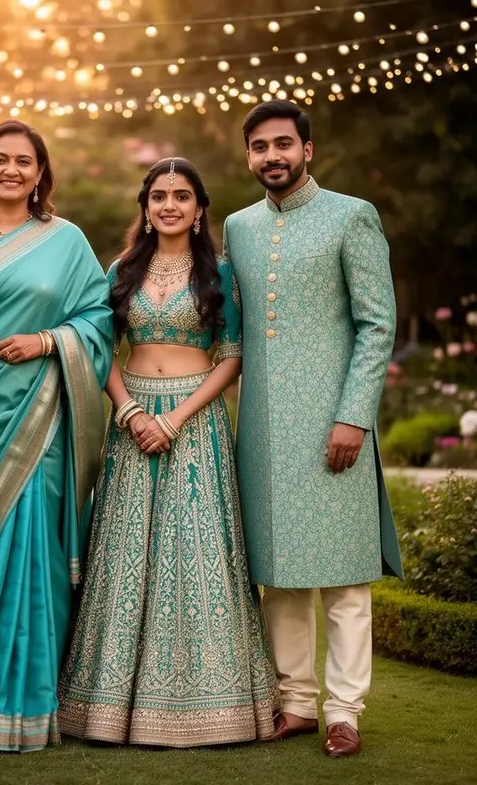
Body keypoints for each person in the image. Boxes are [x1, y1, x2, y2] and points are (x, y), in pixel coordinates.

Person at [58, 157, 279, 748]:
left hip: (194, 421)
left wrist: (177, 417)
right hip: (130, 418)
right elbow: (98, 347)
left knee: (198, 547)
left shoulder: (221, 274)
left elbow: (231, 353)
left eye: (182, 195)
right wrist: (130, 412)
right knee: (126, 549)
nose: (170, 205)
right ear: (146, 206)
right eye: (159, 196)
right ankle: (107, 706)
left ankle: (211, 703)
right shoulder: (121, 270)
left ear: (200, 207)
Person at [0, 120, 113, 752]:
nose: (11, 170)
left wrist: (46, 341)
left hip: (38, 414)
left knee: (29, 548)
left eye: (23, 162)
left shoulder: (67, 241)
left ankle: (24, 706)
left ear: (40, 173)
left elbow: (98, 318)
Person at [225, 100, 402, 758]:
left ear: (308, 150)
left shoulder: (351, 216)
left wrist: (354, 415)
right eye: (260, 147)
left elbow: (377, 322)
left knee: (345, 579)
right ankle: (297, 701)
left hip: (336, 426)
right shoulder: (238, 227)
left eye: (283, 144)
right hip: (264, 434)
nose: (271, 156)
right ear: (249, 156)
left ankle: (344, 711)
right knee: (281, 575)